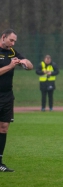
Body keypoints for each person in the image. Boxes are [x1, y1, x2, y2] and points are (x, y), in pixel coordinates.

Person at [0, 28, 33, 172]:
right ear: (3, 37)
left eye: (14, 41)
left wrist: (25, 62)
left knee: (4, 127)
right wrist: (10, 66)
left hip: (7, 96)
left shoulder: (13, 52)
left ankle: (0, 162)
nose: (13, 43)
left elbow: (30, 66)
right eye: (11, 40)